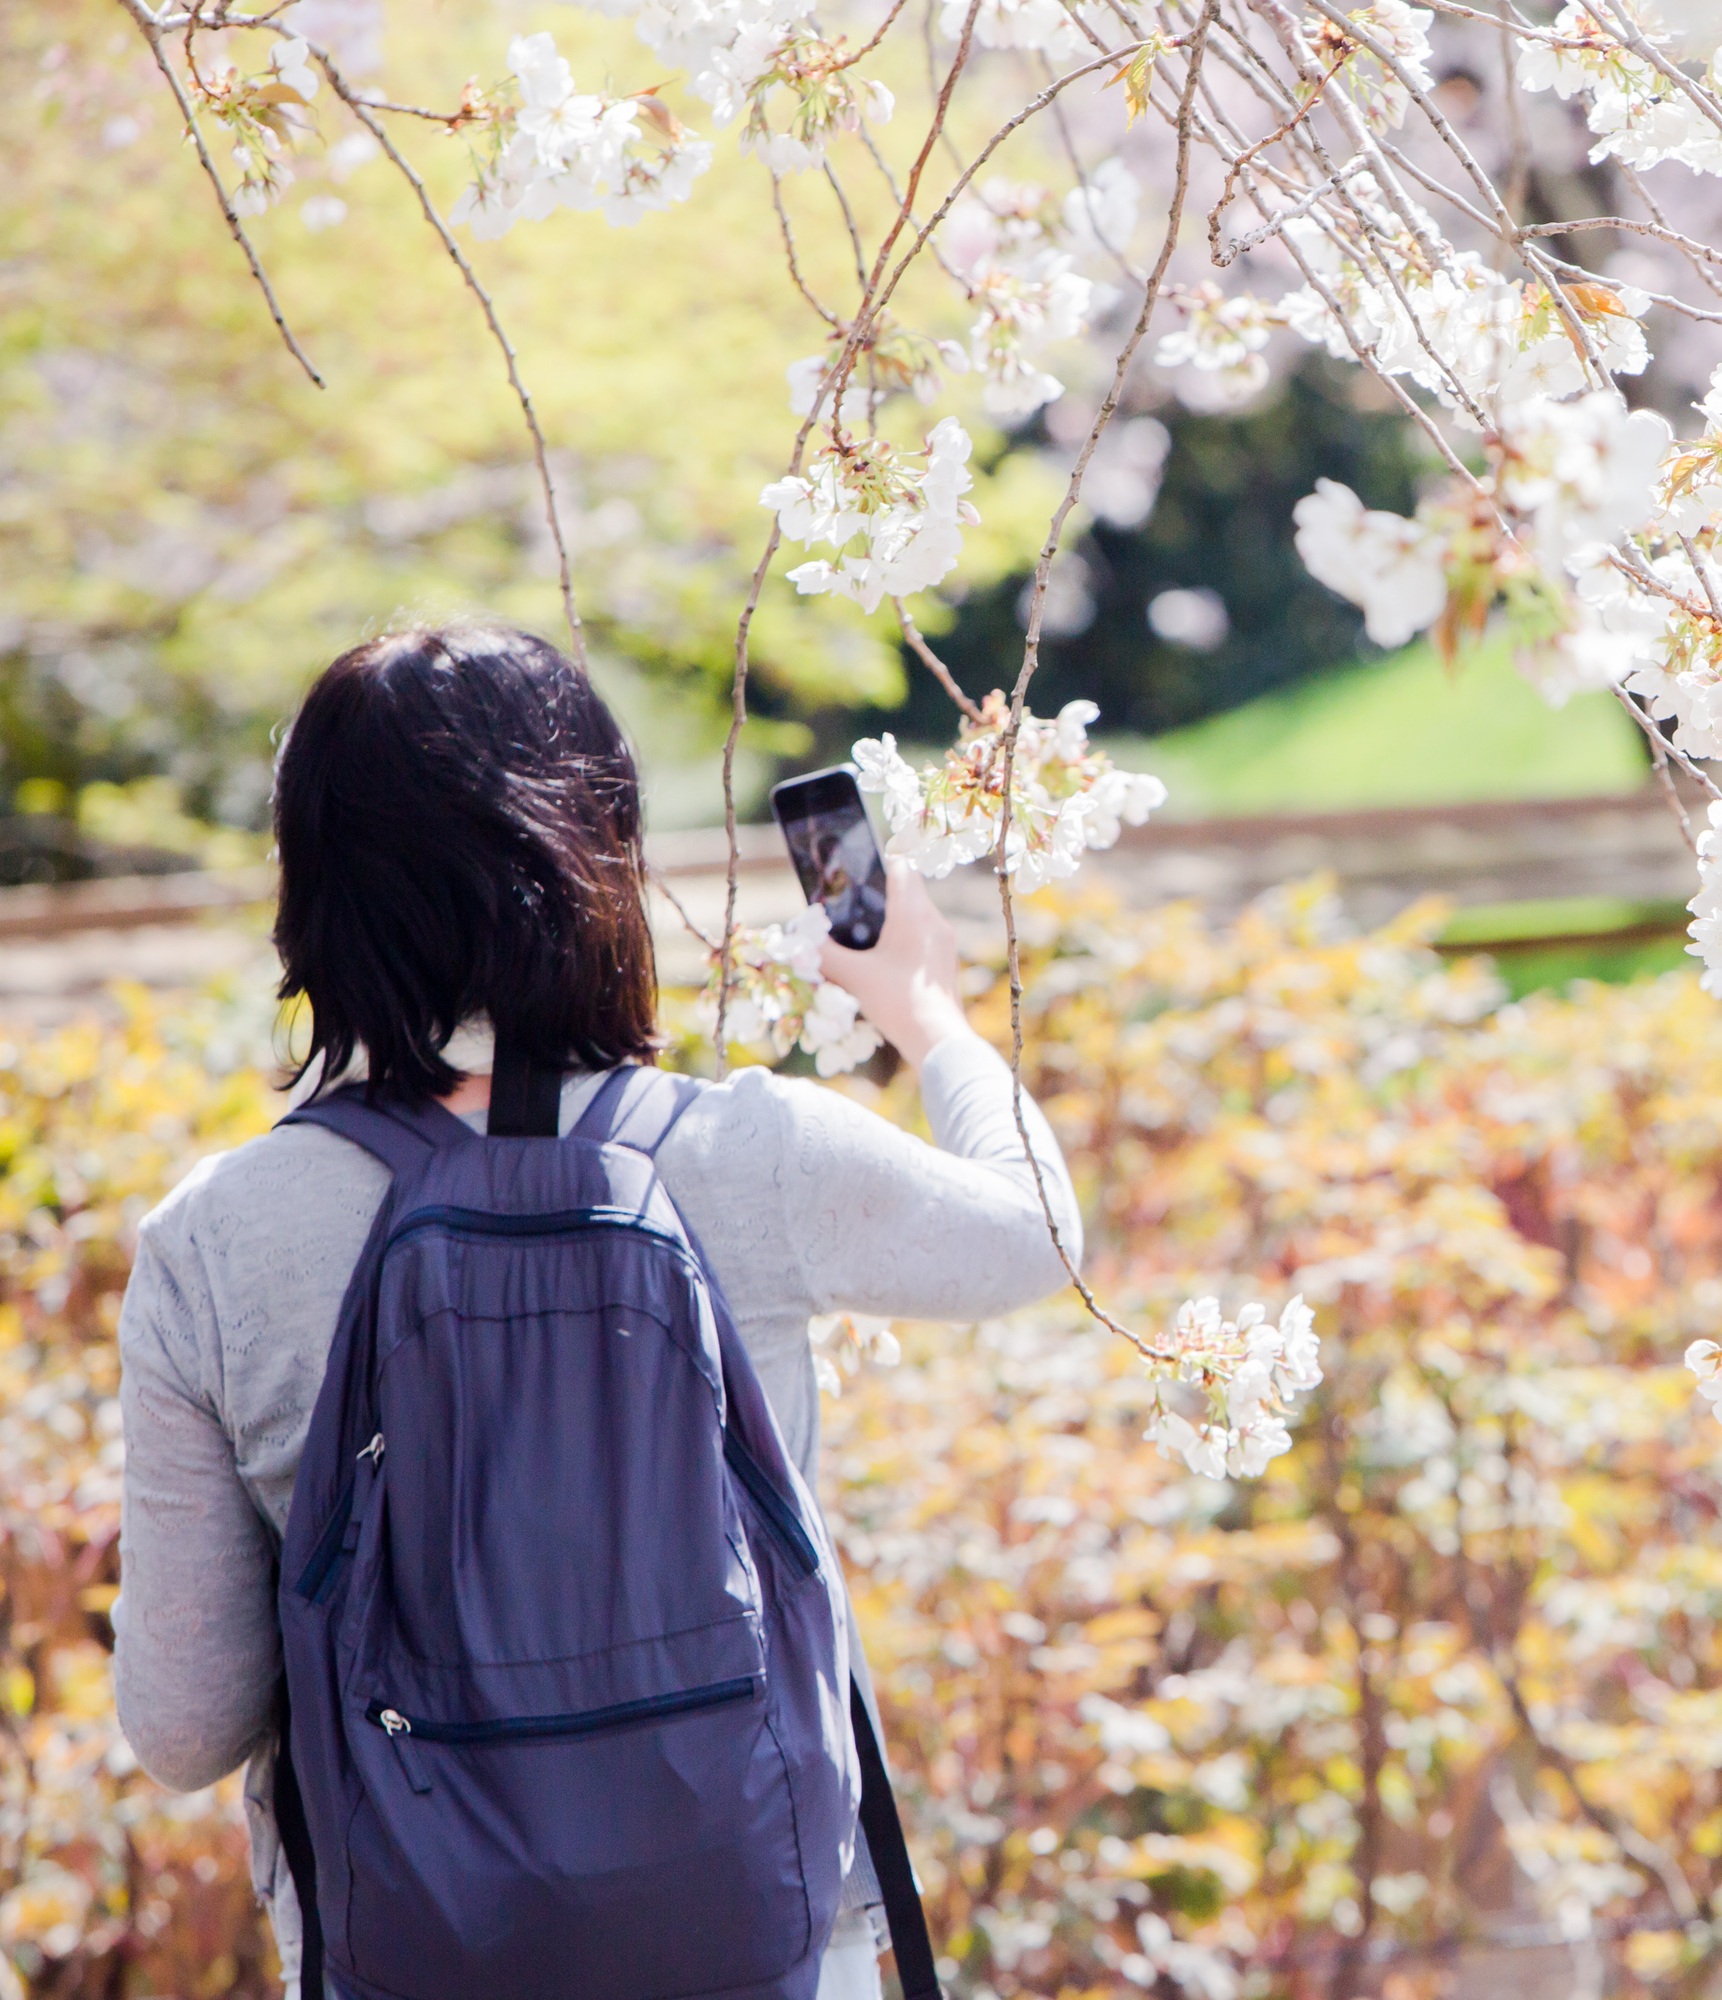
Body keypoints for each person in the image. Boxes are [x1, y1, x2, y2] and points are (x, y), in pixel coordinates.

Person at [113, 624, 1085, 1998]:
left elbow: (184, 1725)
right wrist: (925, 1009)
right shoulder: (748, 1152)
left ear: (314, 893)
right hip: (770, 1948)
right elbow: (1037, 1236)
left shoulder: (214, 1243)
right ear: (602, 859)